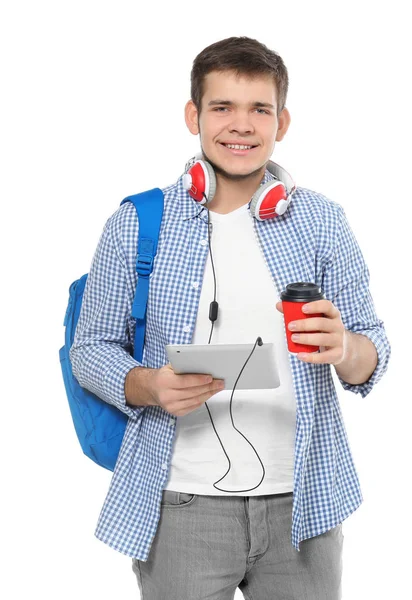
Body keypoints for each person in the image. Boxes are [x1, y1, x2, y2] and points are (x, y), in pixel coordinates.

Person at [70, 36, 391, 600]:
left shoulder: (322, 222)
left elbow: (373, 353)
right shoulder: (137, 223)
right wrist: (148, 385)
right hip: (180, 505)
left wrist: (346, 348)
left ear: (281, 121)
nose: (241, 125)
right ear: (193, 115)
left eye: (259, 109)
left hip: (306, 505)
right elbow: (89, 347)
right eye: (222, 107)